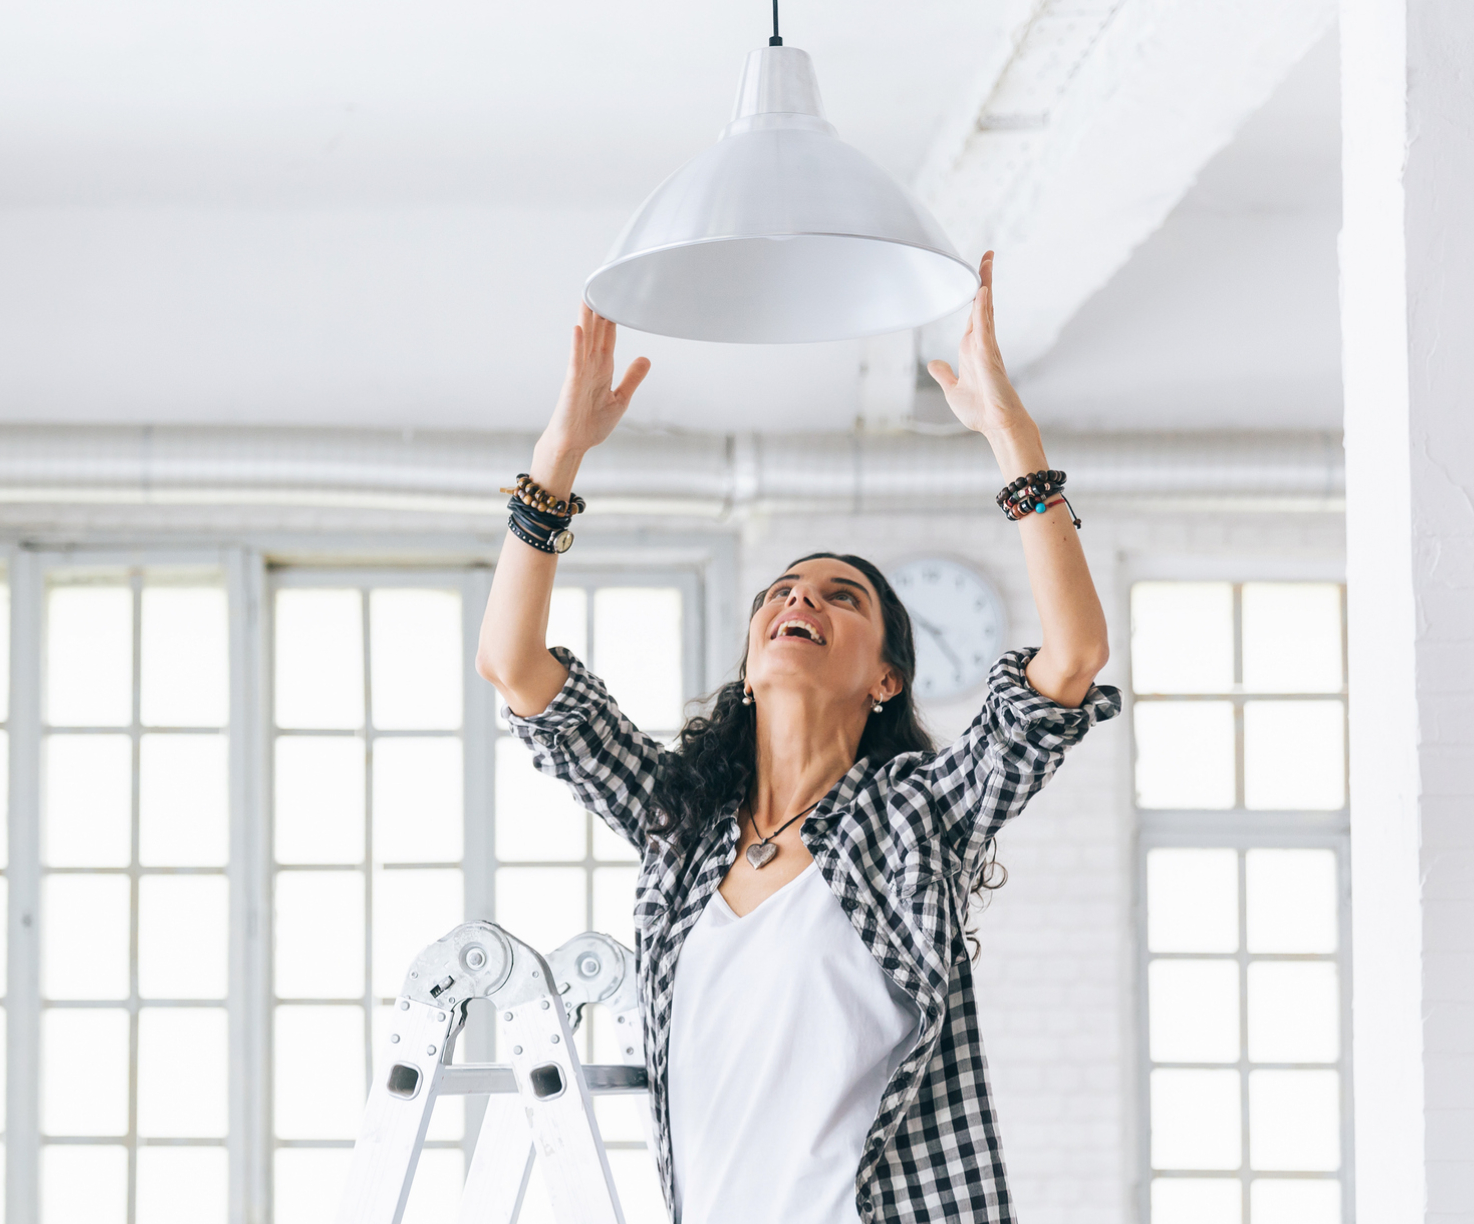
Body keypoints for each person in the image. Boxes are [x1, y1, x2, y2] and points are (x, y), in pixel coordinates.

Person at [475, 252, 1120, 1224]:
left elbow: (1070, 659)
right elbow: (513, 666)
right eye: (779, 591)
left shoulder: (911, 819)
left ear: (884, 675)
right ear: (746, 664)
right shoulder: (681, 827)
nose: (798, 599)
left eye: (839, 596)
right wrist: (559, 458)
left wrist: (1009, 435)